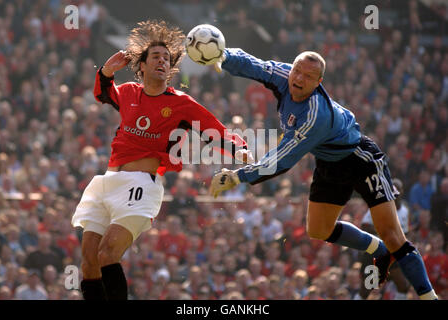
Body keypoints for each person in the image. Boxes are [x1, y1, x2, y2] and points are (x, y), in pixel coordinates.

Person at [207, 47, 438, 299]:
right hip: (330, 163)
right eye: (297, 71)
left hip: (361, 160)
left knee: (393, 235)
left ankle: (429, 296)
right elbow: (256, 65)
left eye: (308, 76)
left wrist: (237, 177)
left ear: (319, 83)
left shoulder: (316, 115)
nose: (298, 78)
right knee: (318, 230)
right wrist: (224, 57)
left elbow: (282, 159)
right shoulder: (285, 76)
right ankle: (379, 250)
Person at [71, 20, 249, 301]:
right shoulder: (129, 91)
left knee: (107, 254)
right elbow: (103, 93)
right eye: (155, 56)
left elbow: (214, 130)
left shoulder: (181, 103)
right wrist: (106, 72)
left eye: (166, 58)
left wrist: (239, 149)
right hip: (106, 181)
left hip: (140, 185)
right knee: (89, 262)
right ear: (141, 66)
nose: (162, 61)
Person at [358, 179, 410, 299]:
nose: (395, 192)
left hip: (393, 253)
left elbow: (405, 232)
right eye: (392, 189)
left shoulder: (404, 211)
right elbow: (364, 226)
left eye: (398, 189)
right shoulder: (379, 206)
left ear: (402, 191)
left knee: (403, 285)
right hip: (376, 252)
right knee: (367, 289)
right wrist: (385, 231)